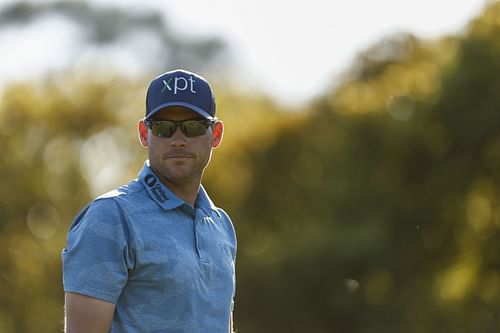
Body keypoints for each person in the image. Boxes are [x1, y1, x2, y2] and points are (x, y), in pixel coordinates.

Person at [62, 69, 237, 333]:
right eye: (164, 128)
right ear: (145, 133)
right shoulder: (111, 216)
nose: (178, 140)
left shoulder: (221, 225)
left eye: (193, 127)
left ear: (215, 134)